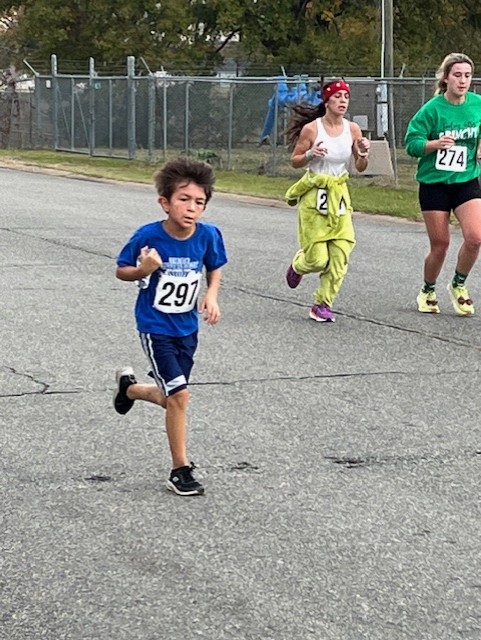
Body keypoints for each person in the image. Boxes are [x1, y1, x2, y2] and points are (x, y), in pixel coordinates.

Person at [113, 157, 228, 496]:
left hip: (187, 328)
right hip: (156, 327)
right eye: (184, 199)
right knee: (180, 395)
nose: (192, 208)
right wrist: (143, 269)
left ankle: (130, 390)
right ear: (165, 202)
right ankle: (180, 469)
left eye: (199, 202)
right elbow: (121, 270)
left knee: (171, 397)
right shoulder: (148, 236)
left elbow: (215, 267)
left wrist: (211, 295)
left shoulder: (208, 235)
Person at [284, 79, 371, 322]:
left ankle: (322, 303)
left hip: (339, 196)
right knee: (317, 259)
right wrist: (310, 154)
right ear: (327, 100)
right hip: (315, 196)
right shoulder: (312, 129)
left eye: (346, 97)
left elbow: (361, 167)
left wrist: (364, 153)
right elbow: (295, 160)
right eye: (337, 96)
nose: (343, 101)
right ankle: (298, 266)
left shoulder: (352, 129)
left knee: (340, 255)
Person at [405, 52, 481, 316]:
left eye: (467, 76)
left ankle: (458, 284)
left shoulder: (477, 104)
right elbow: (411, 144)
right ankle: (427, 289)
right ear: (446, 78)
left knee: (476, 237)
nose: (463, 81)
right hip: (434, 184)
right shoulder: (432, 110)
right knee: (440, 245)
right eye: (457, 75)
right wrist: (434, 144)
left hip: (466, 181)